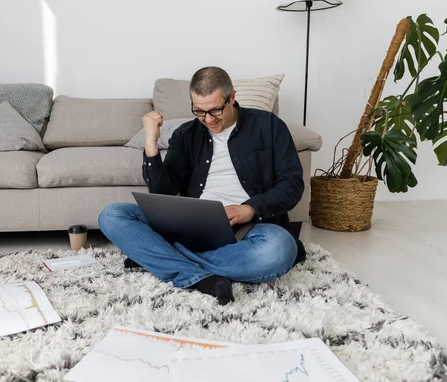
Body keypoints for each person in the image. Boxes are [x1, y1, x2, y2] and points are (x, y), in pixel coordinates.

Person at [99, 66, 305, 305]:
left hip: (248, 230)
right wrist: (150, 143)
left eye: (215, 110)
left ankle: (161, 257)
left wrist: (249, 209)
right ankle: (199, 277)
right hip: (191, 225)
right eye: (199, 111)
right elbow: (162, 192)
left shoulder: (268, 125)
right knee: (112, 214)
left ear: (232, 97)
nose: (208, 119)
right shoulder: (185, 134)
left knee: (279, 249)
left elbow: (292, 184)